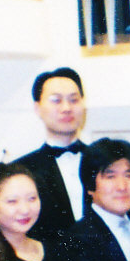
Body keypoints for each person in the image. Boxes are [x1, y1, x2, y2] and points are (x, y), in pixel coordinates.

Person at [17, 68, 91, 249]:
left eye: (74, 100)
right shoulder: (22, 170)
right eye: (56, 100)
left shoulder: (104, 161)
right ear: (37, 108)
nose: (66, 108)